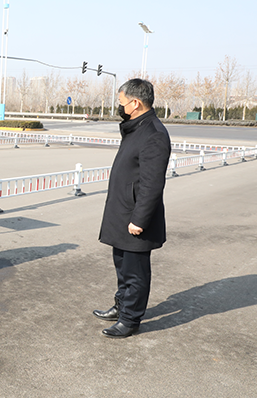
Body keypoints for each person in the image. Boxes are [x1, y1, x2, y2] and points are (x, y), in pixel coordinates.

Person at [94, 78, 171, 338]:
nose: (120, 107)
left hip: (135, 218)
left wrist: (139, 219)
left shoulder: (153, 134)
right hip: (122, 211)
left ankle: (130, 320)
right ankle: (121, 306)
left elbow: (152, 184)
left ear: (135, 103)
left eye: (122, 102)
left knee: (135, 272)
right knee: (122, 267)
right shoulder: (135, 128)